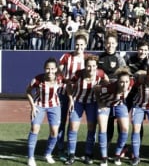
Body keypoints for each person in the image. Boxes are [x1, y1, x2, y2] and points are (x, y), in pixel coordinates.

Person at [65, 55, 109, 165]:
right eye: (89, 66)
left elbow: (107, 84)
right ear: (85, 66)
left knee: (91, 128)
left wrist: (102, 93)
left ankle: (88, 154)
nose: (91, 68)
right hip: (78, 101)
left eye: (93, 66)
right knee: (73, 126)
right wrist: (70, 99)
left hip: (92, 103)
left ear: (97, 66)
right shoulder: (79, 74)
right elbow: (68, 85)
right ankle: (71, 155)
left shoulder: (100, 74)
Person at [57, 30, 89, 160]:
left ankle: (79, 150)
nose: (79, 47)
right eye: (77, 44)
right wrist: (64, 81)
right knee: (61, 121)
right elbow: (58, 72)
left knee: (74, 122)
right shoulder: (66, 57)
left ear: (85, 45)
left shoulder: (87, 58)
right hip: (64, 93)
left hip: (80, 95)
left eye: (81, 45)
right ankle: (60, 148)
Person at [26, 57, 64, 166]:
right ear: (44, 69)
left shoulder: (60, 79)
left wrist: (71, 99)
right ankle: (31, 158)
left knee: (54, 132)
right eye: (48, 68)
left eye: (52, 68)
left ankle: (48, 154)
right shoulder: (37, 79)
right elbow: (28, 91)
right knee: (34, 129)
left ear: (56, 69)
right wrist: (32, 106)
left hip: (54, 106)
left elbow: (69, 87)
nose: (50, 71)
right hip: (39, 105)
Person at [94, 66, 134, 166]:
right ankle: (104, 158)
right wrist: (99, 102)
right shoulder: (110, 88)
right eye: (121, 82)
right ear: (117, 81)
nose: (124, 84)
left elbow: (140, 75)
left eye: (126, 82)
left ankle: (117, 155)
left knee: (125, 129)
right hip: (105, 104)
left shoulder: (132, 82)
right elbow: (96, 89)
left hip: (119, 104)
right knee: (103, 129)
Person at [97, 30, 127, 150]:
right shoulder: (100, 58)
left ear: (116, 44)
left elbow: (125, 75)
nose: (110, 45)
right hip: (105, 96)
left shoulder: (119, 59)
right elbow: (96, 75)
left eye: (112, 43)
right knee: (107, 122)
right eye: (108, 43)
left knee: (121, 123)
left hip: (118, 95)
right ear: (105, 44)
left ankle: (121, 147)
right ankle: (106, 146)